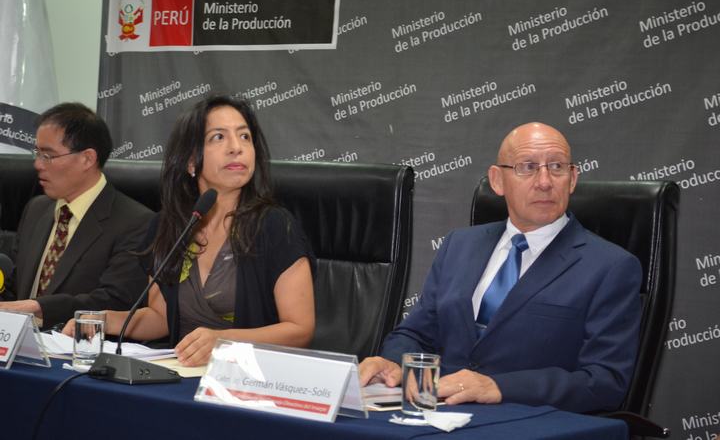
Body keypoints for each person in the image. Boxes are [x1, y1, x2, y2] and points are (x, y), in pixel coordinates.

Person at [359, 122, 642, 413]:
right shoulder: (459, 245)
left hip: (528, 422)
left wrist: (498, 387)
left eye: (557, 167)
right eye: (527, 167)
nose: (545, 181)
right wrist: (393, 362)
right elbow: (416, 334)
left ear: (572, 179)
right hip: (442, 414)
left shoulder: (611, 267)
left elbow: (605, 381)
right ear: (497, 180)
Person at [66, 95, 315, 367]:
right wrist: (104, 319)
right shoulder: (169, 226)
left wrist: (222, 341)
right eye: (218, 137)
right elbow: (161, 319)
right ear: (191, 161)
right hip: (183, 374)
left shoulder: (275, 226)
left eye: (245, 136)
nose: (236, 148)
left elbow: (299, 330)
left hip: (249, 378)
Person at [0, 103, 153, 328]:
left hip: (77, 344)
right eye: (37, 153)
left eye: (48, 155)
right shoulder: (36, 209)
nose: (37, 164)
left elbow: (116, 300)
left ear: (87, 159)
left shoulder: (136, 223)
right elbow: (15, 287)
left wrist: (40, 307)